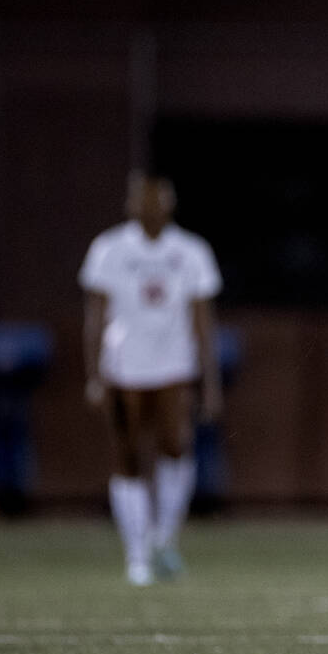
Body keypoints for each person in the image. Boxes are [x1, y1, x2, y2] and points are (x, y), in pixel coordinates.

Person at [80, 172, 223, 586]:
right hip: (124, 367)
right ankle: (136, 554)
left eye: (157, 200)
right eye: (142, 200)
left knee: (176, 445)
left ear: (170, 203)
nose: (150, 208)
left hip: (174, 366)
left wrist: (209, 383)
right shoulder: (109, 249)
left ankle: (164, 536)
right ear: (130, 204)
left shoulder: (191, 251)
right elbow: (95, 317)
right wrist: (94, 374)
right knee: (126, 454)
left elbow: (203, 320)